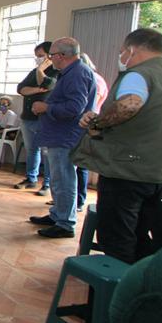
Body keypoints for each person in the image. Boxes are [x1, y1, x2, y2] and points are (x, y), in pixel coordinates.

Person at [73, 29, 162, 262]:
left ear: (132, 50)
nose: (122, 57)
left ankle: (112, 295)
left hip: (127, 171)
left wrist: (98, 122)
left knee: (117, 238)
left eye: (122, 52)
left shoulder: (139, 74)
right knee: (139, 235)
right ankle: (138, 287)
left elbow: (130, 104)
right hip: (158, 170)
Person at [28, 37, 96, 239]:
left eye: (52, 55)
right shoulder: (69, 73)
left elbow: (75, 108)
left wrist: (46, 107)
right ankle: (58, 214)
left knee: (64, 179)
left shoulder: (78, 74)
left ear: (62, 55)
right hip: (58, 134)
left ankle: (65, 223)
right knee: (58, 179)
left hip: (66, 136)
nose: (50, 59)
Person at [14, 42, 58, 195]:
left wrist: (41, 71)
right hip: (28, 117)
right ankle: (31, 179)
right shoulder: (33, 72)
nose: (38, 60)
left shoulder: (56, 71)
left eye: (41, 56)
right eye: (37, 57)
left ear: (49, 56)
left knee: (46, 152)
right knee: (32, 149)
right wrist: (38, 89)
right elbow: (21, 88)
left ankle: (46, 184)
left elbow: (48, 84)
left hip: (44, 119)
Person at [73, 53, 109, 211]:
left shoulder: (95, 79)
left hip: (88, 126)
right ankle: (72, 200)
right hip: (82, 125)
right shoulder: (88, 78)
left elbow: (92, 105)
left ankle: (79, 201)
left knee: (81, 165)